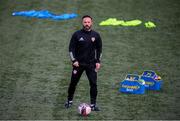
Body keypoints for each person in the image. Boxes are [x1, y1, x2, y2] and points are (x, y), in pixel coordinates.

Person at [65, 15, 102, 111]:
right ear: (82, 23)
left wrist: (98, 61)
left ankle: (93, 105)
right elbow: (71, 49)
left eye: (88, 22)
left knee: (93, 84)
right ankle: (69, 101)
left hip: (91, 64)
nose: (87, 24)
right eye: (85, 22)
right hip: (78, 64)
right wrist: (74, 60)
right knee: (73, 83)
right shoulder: (76, 34)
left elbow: (99, 49)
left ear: (91, 23)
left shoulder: (96, 35)